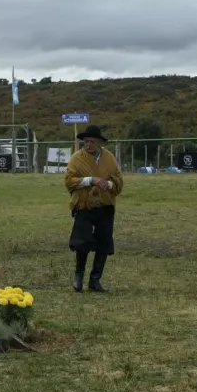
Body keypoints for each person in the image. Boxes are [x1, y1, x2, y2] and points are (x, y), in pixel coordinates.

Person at [64, 125, 124, 292]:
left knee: (104, 242)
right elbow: (69, 180)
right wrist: (91, 180)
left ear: (100, 144)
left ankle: (95, 279)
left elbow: (118, 180)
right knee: (82, 242)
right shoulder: (77, 158)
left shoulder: (109, 158)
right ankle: (78, 276)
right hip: (84, 206)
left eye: (92, 142)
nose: (88, 145)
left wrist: (109, 184)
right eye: (86, 142)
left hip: (105, 206)